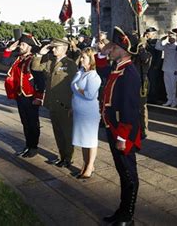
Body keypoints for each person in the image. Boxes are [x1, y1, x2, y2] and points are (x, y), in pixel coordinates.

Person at [98, 26, 141, 226]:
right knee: (122, 172)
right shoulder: (118, 67)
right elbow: (100, 67)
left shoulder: (129, 72)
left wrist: (123, 136)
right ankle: (122, 210)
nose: (111, 49)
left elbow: (130, 108)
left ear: (123, 50)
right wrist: (102, 49)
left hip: (122, 131)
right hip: (113, 127)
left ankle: (128, 216)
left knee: (128, 173)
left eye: (114, 46)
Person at [32, 37, 77, 168]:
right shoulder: (50, 61)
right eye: (53, 47)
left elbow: (74, 86)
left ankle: (68, 158)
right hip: (52, 103)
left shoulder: (70, 64)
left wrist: (73, 105)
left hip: (65, 104)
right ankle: (62, 156)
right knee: (57, 132)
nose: (53, 49)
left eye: (56, 47)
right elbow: (35, 67)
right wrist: (41, 53)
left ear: (64, 49)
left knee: (66, 133)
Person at [0, 33, 45, 158]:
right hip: (20, 95)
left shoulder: (34, 59)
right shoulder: (17, 58)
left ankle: (33, 147)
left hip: (31, 96)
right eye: (20, 44)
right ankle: (28, 145)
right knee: (25, 122)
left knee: (33, 123)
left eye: (23, 44)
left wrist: (39, 97)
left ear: (30, 46)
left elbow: (40, 80)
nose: (20, 46)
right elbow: (3, 61)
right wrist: (9, 49)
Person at [70, 47, 101, 179]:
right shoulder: (80, 72)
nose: (81, 59)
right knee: (82, 140)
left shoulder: (93, 76)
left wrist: (78, 89)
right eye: (81, 56)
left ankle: (90, 166)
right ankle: (85, 163)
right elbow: (74, 88)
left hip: (89, 113)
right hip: (78, 110)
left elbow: (89, 94)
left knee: (91, 140)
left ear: (91, 59)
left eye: (84, 57)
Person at [156, 30, 177, 107]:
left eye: (172, 36)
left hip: (174, 69)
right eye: (169, 36)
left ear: (176, 37)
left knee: (174, 86)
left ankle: (175, 101)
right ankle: (169, 99)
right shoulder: (166, 45)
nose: (170, 38)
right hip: (166, 68)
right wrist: (162, 39)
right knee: (167, 86)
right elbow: (158, 47)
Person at [133, 34, 152, 139]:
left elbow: (145, 60)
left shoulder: (147, 54)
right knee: (135, 107)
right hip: (135, 81)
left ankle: (144, 129)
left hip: (142, 81)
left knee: (142, 106)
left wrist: (141, 49)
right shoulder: (135, 55)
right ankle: (137, 127)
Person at [144, 27, 163, 104]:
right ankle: (147, 96)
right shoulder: (145, 41)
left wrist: (157, 65)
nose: (147, 35)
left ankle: (153, 97)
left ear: (153, 34)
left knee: (153, 82)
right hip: (146, 65)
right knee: (147, 81)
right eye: (147, 34)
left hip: (153, 65)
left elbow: (159, 54)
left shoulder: (157, 42)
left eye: (149, 34)